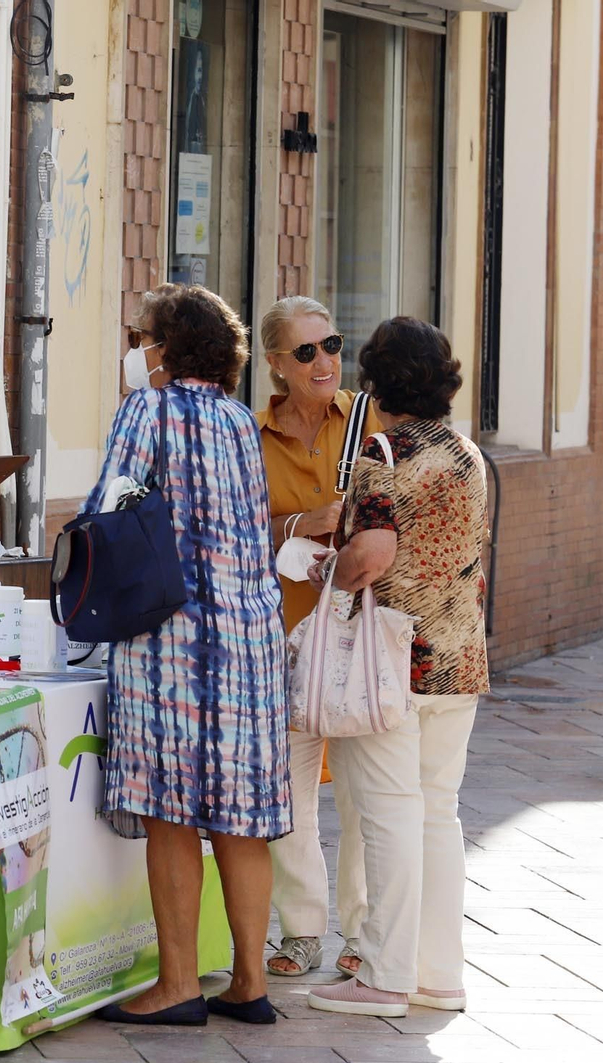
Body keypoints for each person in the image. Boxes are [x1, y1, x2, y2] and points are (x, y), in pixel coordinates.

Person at [89, 284, 290, 1027]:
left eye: (142, 335)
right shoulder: (240, 421)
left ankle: (176, 984)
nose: (137, 347)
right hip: (248, 639)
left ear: (165, 348)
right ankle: (249, 980)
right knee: (240, 817)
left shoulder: (147, 409)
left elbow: (105, 512)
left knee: (172, 812)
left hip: (168, 638)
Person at [303, 318, 488, 1018]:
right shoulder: (467, 452)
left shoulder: (383, 451)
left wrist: (336, 568)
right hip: (459, 654)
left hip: (392, 659)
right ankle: (439, 974)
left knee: (388, 814)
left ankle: (382, 974)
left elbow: (372, 553)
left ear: (381, 385)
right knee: (439, 813)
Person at [254, 296, 374, 980]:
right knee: (290, 792)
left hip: (358, 635)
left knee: (361, 794)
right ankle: (301, 931)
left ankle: (360, 930)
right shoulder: (251, 436)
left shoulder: (367, 422)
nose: (324, 360)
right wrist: (302, 525)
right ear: (276, 363)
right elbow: (236, 534)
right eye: (306, 351)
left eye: (330, 345)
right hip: (284, 636)